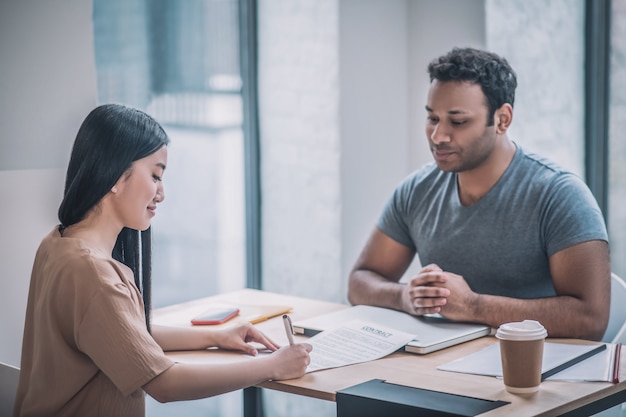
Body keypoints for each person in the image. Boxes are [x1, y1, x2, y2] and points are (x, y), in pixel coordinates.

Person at [13, 104, 312, 417]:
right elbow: (164, 383)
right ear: (115, 175)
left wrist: (214, 336)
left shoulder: (59, 243)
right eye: (156, 176)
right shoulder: (93, 273)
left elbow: (122, 336)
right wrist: (272, 366)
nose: (162, 193)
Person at [348, 47, 610, 341]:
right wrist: (405, 297)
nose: (438, 137)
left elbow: (591, 320)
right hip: (441, 368)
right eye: (433, 119)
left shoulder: (560, 195)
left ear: (502, 119)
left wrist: (474, 305)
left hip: (533, 373)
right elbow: (359, 282)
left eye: (458, 122)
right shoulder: (417, 190)